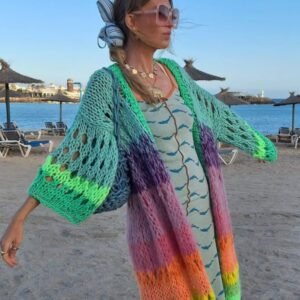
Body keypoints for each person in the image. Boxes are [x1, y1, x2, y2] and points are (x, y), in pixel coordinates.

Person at [0, 0, 277, 299]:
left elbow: (217, 115)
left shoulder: (174, 72)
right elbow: (73, 156)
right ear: (131, 21)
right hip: (162, 227)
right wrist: (20, 217)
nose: (170, 21)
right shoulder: (106, 84)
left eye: (173, 13)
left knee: (219, 290)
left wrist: (259, 143)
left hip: (209, 215)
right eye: (161, 12)